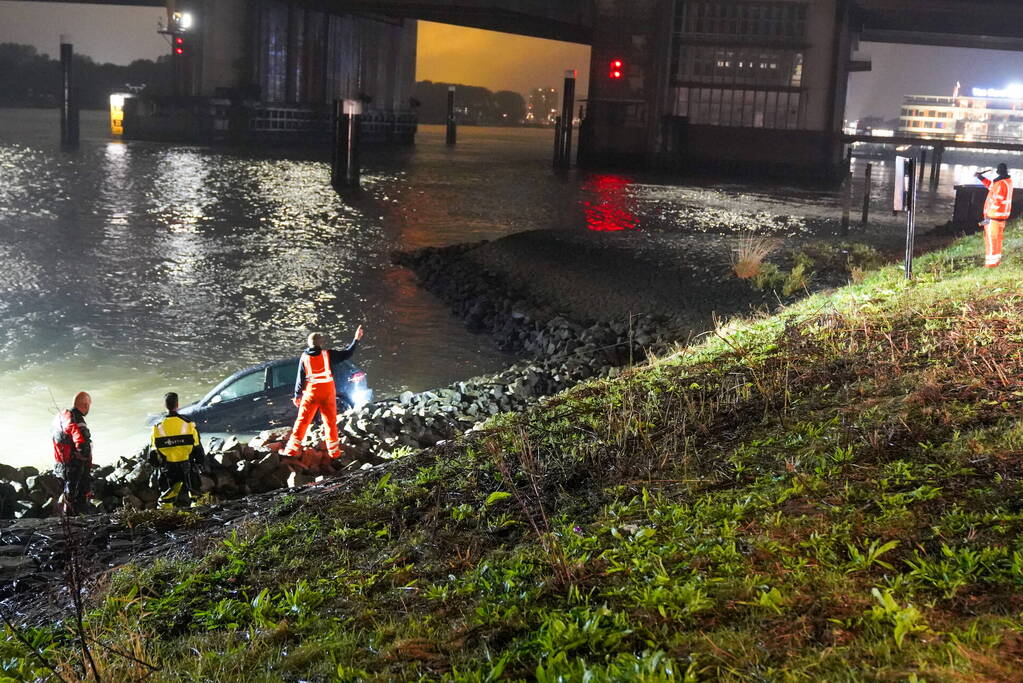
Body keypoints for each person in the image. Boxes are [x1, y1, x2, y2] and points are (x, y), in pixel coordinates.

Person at [282, 325, 364, 459]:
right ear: (321, 343)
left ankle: (290, 451)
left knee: (302, 421)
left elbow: (300, 377)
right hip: (327, 393)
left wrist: (297, 395)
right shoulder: (328, 355)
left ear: (309, 344)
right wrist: (356, 339)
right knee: (330, 422)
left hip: (311, 393)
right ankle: (334, 452)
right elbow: (347, 353)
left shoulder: (304, 358)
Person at [150, 392, 205, 509]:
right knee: (196, 496)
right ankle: (196, 512)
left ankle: (167, 515)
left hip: (168, 470)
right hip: (187, 467)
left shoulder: (157, 428)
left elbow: (153, 455)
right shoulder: (189, 425)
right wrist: (200, 463)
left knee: (166, 498)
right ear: (178, 405)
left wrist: (158, 465)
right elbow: (198, 449)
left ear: (165, 406)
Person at [51, 391, 93, 516]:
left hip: (60, 464)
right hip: (74, 467)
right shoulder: (77, 420)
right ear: (85, 405)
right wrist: (84, 456)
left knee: (67, 494)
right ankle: (76, 526)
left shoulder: (61, 416)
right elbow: (81, 443)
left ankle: (63, 518)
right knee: (78, 500)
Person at [975, 163, 1013, 268]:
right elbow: (991, 186)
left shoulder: (1000, 184)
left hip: (993, 218)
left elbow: (996, 201)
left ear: (998, 172)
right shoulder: (1007, 182)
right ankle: (996, 262)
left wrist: (987, 217)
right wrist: (981, 177)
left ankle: (991, 264)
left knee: (991, 240)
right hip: (1000, 218)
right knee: (997, 240)